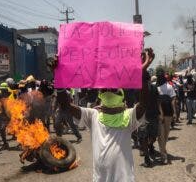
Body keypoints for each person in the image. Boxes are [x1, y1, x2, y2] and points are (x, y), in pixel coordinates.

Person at [51, 49, 154, 181]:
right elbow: (65, 105)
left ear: (121, 96)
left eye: (113, 89)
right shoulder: (93, 115)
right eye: (105, 89)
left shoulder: (129, 116)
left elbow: (144, 103)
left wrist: (142, 74)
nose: (109, 90)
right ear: (100, 95)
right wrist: (58, 76)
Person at [156, 68, 177, 164]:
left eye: (160, 76)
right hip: (159, 114)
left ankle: (163, 149)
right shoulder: (154, 87)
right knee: (161, 135)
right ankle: (163, 155)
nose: (159, 77)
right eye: (158, 76)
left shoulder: (169, 87)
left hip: (168, 113)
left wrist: (174, 113)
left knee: (166, 134)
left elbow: (173, 100)